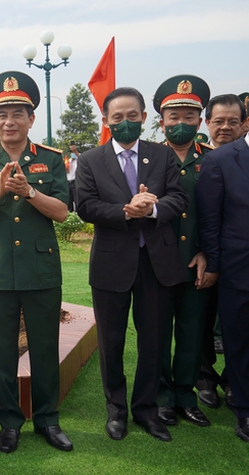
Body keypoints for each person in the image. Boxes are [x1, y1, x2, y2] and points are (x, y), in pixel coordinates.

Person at [0, 71, 72, 453]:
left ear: (31, 118)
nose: (9, 121)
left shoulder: (51, 160)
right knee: (4, 352)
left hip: (41, 271)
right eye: (2, 114)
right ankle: (9, 422)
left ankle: (47, 420)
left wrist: (29, 192)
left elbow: (61, 212)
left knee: (44, 349)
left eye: (17, 114)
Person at [76, 87, 188, 442]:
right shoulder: (91, 159)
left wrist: (152, 208)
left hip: (156, 263)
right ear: (106, 121)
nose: (125, 122)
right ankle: (116, 411)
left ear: (144, 117)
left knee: (154, 341)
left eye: (132, 115)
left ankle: (146, 410)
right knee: (111, 343)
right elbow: (85, 206)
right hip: (111, 264)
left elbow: (178, 197)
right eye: (117, 117)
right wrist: (126, 210)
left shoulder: (162, 154)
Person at [151, 75, 213, 428]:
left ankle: (186, 396)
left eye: (189, 117)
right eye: (173, 117)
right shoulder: (149, 158)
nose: (180, 123)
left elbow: (217, 213)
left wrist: (206, 252)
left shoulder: (214, 160)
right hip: (157, 262)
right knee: (157, 332)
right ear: (162, 121)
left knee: (191, 332)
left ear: (199, 120)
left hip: (195, 262)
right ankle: (161, 398)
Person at [196, 122, 249, 442]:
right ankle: (243, 410)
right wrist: (214, 266)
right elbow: (211, 221)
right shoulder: (223, 159)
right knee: (239, 344)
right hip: (238, 271)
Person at [66, 142, 79, 211]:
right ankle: (70, 215)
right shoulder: (68, 161)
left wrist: (75, 151)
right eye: (71, 152)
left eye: (73, 152)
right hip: (68, 182)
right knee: (69, 200)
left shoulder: (78, 160)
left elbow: (80, 157)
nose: (72, 153)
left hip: (75, 182)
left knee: (77, 199)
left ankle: (78, 214)